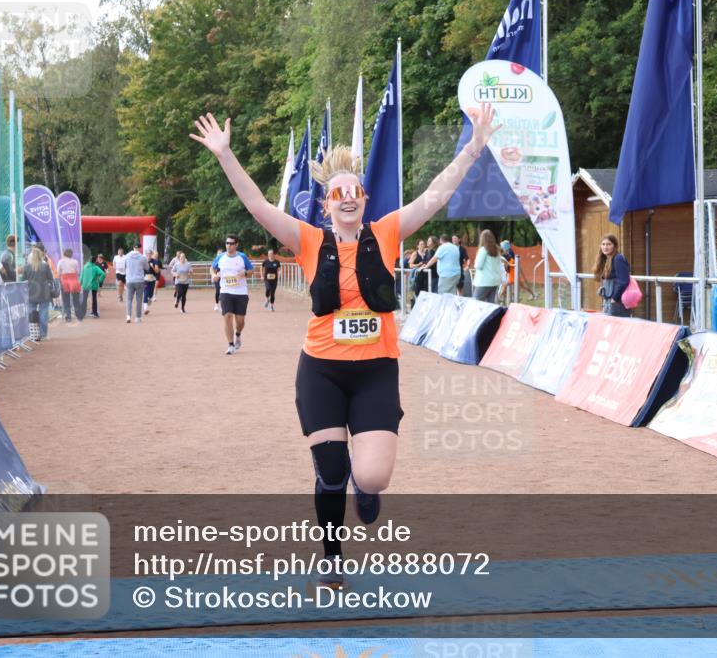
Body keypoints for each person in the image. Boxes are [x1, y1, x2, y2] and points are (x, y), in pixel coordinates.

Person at [190, 102, 498, 588]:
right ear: (326, 203)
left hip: (376, 370)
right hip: (322, 370)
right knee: (330, 468)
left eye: (354, 193)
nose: (347, 199)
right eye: (338, 195)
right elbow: (256, 206)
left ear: (365, 199)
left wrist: (474, 148)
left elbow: (436, 195)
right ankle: (332, 557)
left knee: (372, 478)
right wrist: (226, 155)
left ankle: (365, 485)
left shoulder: (389, 232)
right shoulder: (308, 241)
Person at [211, 234, 253, 354]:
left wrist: (244, 273)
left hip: (241, 292)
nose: (228, 245)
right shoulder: (220, 257)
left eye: (231, 243)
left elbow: (251, 270)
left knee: (240, 321)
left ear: (236, 244)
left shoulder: (242, 257)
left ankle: (238, 334)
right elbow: (212, 268)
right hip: (225, 291)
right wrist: (214, 275)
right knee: (227, 316)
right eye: (227, 243)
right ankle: (230, 345)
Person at [594, 234, 631, 317]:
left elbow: (623, 281)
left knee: (618, 327)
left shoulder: (618, 258)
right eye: (603, 244)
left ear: (614, 246)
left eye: (608, 244)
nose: (605, 247)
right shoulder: (606, 259)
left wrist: (614, 298)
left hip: (617, 302)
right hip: (609, 301)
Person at [22, 247, 54, 339]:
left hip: (31, 293)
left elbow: (23, 280)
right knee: (43, 313)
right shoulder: (45, 266)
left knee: (31, 313)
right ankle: (43, 334)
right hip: (44, 293)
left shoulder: (27, 267)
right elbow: (50, 279)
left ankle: (33, 333)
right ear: (41, 256)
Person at [472, 229, 502, 303]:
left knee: (475, 303)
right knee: (491, 304)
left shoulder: (483, 250)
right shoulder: (497, 250)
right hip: (494, 281)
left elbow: (478, 265)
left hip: (483, 282)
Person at [123, 242, 149, 323]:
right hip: (139, 280)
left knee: (129, 299)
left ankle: (128, 316)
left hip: (129, 280)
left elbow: (124, 267)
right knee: (139, 300)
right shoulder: (142, 257)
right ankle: (138, 317)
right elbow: (147, 268)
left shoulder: (126, 256)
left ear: (133, 247)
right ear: (140, 248)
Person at [56, 248, 82, 323]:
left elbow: (58, 272)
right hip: (74, 279)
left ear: (64, 254)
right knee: (76, 299)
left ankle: (68, 316)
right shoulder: (75, 261)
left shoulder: (61, 261)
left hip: (64, 280)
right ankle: (78, 316)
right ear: (71, 254)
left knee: (66, 299)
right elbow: (78, 271)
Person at [80, 255, 106, 319]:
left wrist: (80, 284)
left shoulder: (85, 266)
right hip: (93, 286)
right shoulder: (95, 267)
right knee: (94, 299)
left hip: (85, 286)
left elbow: (81, 276)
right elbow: (103, 274)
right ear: (95, 261)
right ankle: (95, 313)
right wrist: (100, 280)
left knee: (84, 299)